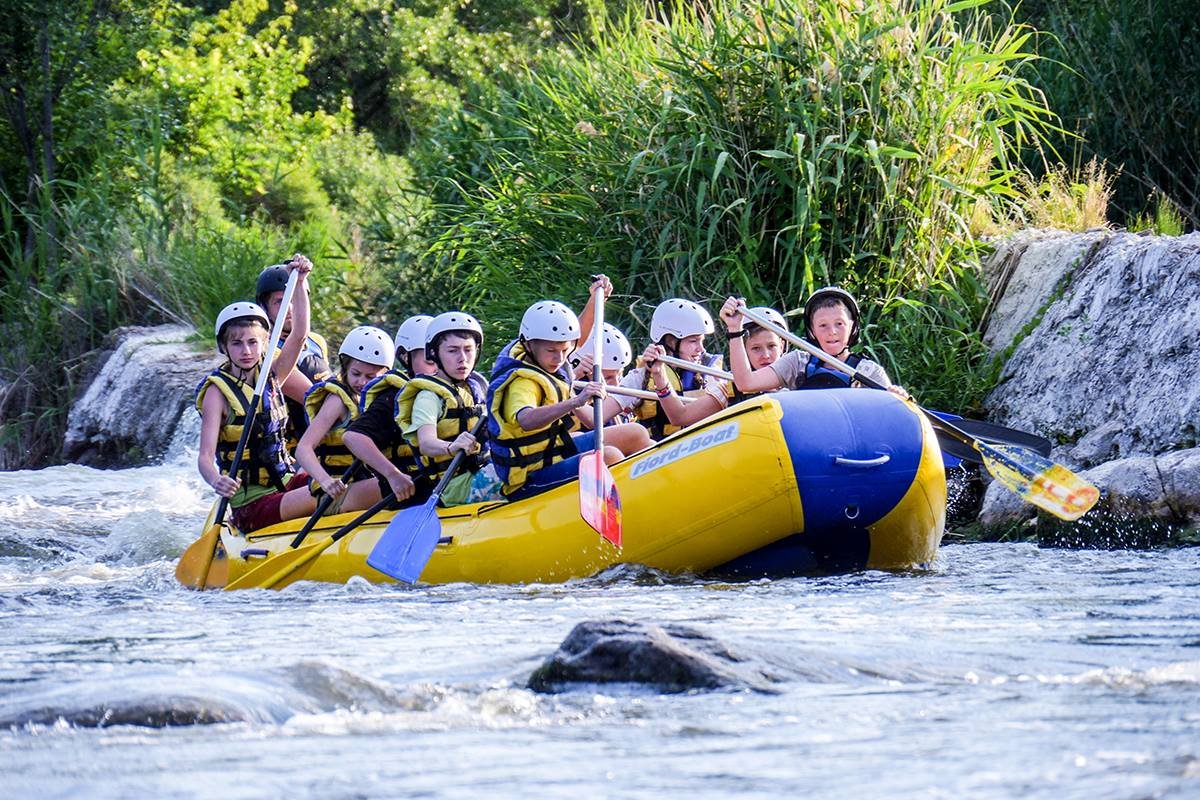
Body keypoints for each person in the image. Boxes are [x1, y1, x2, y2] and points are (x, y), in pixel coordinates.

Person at [195, 256, 318, 533]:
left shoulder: (272, 376)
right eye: (237, 344)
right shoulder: (217, 393)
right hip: (251, 504)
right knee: (329, 492)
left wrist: (300, 282)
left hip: (285, 482)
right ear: (224, 347)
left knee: (346, 481)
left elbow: (300, 334)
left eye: (253, 342)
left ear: (265, 343)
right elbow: (205, 456)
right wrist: (216, 480)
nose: (246, 351)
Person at [487, 300, 651, 499]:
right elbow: (526, 419)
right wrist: (576, 401)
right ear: (528, 344)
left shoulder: (544, 355)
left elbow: (576, 337)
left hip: (553, 450)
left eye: (565, 350)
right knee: (609, 456)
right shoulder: (522, 383)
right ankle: (635, 501)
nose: (559, 358)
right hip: (529, 474)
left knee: (636, 433)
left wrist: (595, 299)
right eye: (552, 352)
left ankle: (657, 488)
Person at [721, 287, 908, 397]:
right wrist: (734, 328)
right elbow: (745, 383)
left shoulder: (869, 372)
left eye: (839, 324)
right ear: (812, 330)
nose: (832, 332)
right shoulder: (797, 363)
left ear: (852, 326)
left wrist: (898, 399)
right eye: (823, 325)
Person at [395, 312, 501, 505]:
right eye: (453, 351)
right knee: (514, 473)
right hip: (454, 487)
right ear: (434, 354)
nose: (463, 358)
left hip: (482, 468)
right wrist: (451, 447)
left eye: (468, 350)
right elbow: (426, 443)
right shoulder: (428, 396)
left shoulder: (475, 388)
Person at [294, 326, 395, 513]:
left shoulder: (379, 401)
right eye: (356, 374)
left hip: (362, 485)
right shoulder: (337, 401)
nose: (361, 382)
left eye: (370, 377)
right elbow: (303, 449)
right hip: (336, 492)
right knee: (400, 483)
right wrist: (325, 481)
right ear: (345, 368)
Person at [341, 314, 435, 507]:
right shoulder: (394, 398)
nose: (437, 364)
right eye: (429, 359)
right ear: (405, 358)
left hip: (443, 485)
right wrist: (392, 474)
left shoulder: (460, 391)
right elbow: (353, 436)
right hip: (410, 494)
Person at [603, 298, 727, 439]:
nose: (701, 349)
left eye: (702, 341)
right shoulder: (642, 376)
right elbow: (598, 416)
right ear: (670, 341)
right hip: (661, 448)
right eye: (693, 341)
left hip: (704, 443)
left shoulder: (710, 372)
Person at [256, 264, 332, 445]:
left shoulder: (317, 342)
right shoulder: (265, 351)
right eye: (279, 302)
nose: (289, 308)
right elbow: (311, 397)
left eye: (293, 300)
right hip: (294, 447)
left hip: (325, 434)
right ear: (264, 307)